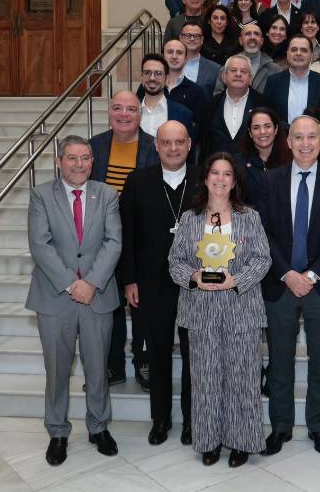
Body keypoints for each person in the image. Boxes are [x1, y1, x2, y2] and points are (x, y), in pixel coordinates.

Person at [167, 152, 271, 468]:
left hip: (241, 308)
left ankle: (242, 442)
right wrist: (194, 277)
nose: (221, 179)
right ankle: (209, 442)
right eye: (215, 173)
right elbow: (175, 261)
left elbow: (263, 259)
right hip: (201, 309)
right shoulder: (189, 219)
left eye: (227, 174)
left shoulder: (249, 218)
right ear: (205, 178)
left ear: (235, 181)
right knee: (206, 380)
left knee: (243, 379)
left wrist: (236, 280)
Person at [27, 135, 121, 466]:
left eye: (85, 158)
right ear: (59, 162)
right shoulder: (41, 195)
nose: (79, 164)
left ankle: (99, 427)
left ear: (92, 162)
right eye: (71, 158)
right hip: (55, 297)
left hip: (97, 295)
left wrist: (91, 283)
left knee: (98, 367)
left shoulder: (107, 194)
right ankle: (57, 431)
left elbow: (113, 241)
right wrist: (71, 284)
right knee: (57, 369)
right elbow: (40, 245)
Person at [258, 116, 320, 457]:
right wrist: (287, 273)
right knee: (279, 362)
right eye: (299, 137)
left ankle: (317, 427)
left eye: (312, 137)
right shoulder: (270, 180)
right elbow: (262, 231)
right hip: (279, 284)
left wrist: (310, 276)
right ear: (288, 142)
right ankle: (280, 426)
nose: (305, 143)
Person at [119, 121, 195, 446]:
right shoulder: (137, 181)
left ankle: (192, 420)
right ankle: (160, 419)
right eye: (166, 142)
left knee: (194, 356)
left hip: (195, 284)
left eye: (179, 142)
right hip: (151, 284)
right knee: (158, 353)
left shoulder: (206, 180)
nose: (173, 148)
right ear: (156, 146)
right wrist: (129, 279)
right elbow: (127, 233)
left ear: (189, 144)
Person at [88, 91, 158, 391]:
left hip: (140, 238)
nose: (124, 114)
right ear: (109, 112)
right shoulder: (94, 147)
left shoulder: (154, 147)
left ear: (140, 115)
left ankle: (143, 361)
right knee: (108, 304)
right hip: (101, 238)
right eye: (118, 108)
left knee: (141, 303)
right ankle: (112, 364)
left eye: (131, 109)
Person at [199, 54, 270, 160]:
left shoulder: (264, 105)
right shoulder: (210, 106)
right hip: (217, 167)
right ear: (224, 76)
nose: (238, 74)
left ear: (250, 78)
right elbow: (204, 143)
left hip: (253, 167)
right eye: (233, 70)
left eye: (243, 71)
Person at [262, 35, 320, 124]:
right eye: (294, 50)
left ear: (311, 55)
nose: (298, 53)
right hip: (282, 132)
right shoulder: (273, 82)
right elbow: (267, 115)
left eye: (304, 50)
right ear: (287, 54)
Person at [236, 107, 292, 209]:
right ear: (250, 133)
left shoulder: (292, 161)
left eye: (267, 126)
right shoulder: (238, 163)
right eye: (256, 128)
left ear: (276, 129)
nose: (262, 131)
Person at [138, 54, 194, 137]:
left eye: (158, 73)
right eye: (147, 73)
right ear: (142, 77)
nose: (152, 78)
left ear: (167, 79)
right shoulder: (130, 111)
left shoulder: (183, 114)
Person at [234, 23, 283, 93]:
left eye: (256, 34)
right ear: (240, 40)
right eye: (248, 34)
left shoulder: (275, 70)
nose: (252, 37)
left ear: (262, 41)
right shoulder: (228, 67)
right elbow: (220, 95)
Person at [179, 23, 222, 97]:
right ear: (180, 38)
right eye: (188, 35)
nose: (192, 39)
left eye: (196, 36)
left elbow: (217, 98)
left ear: (202, 40)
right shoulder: (168, 65)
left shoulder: (215, 69)